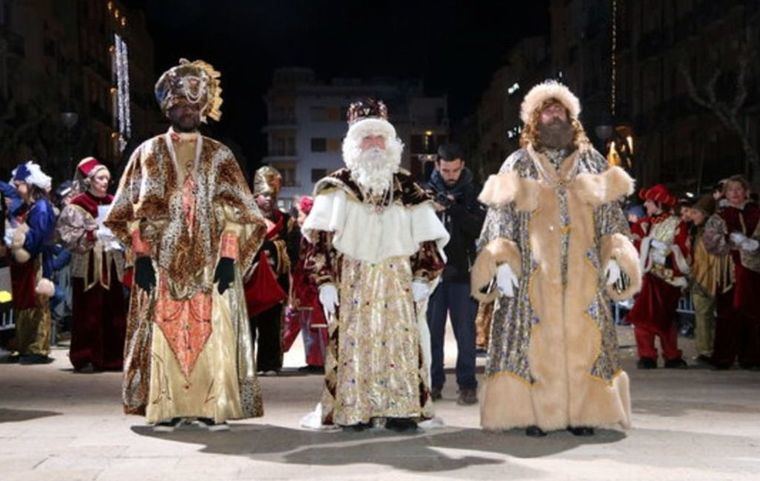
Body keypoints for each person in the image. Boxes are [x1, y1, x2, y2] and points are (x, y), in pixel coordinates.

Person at [104, 59, 267, 431]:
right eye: (180, 106)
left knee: (212, 331)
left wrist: (228, 257)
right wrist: (140, 256)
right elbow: (126, 211)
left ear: (203, 109)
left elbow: (238, 213)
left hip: (211, 264)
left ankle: (212, 407)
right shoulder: (145, 154)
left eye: (194, 106)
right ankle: (167, 407)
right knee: (165, 333)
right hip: (160, 264)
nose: (187, 112)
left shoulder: (220, 155)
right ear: (168, 108)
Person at [471, 81, 641, 437]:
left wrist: (615, 253)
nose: (554, 116)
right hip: (534, 274)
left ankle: (584, 413)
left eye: (560, 111)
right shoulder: (517, 162)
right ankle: (535, 414)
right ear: (535, 118)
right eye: (547, 111)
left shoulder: (592, 161)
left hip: (584, 272)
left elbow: (610, 214)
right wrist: (501, 259)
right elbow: (499, 217)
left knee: (587, 340)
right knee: (531, 342)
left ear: (570, 117)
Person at [301, 98, 449, 432]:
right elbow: (317, 241)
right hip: (353, 280)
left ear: (391, 144)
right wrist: (324, 282)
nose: (373, 146)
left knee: (399, 342)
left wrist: (424, 276)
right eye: (365, 139)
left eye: (379, 138)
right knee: (355, 343)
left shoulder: (407, 187)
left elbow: (427, 240)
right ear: (353, 145)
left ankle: (400, 409)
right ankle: (355, 410)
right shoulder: (336, 187)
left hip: (397, 279)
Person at [424, 143, 486, 405]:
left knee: (466, 334)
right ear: (438, 165)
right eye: (446, 169)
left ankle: (467, 384)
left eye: (456, 170)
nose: (451, 175)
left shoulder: (474, 192)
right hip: (432, 276)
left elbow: (479, 229)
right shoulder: (424, 193)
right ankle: (433, 383)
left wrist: (453, 208)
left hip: (463, 273)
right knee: (431, 333)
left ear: (463, 166)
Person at [56, 158, 127, 372]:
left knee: (114, 309)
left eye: (107, 178)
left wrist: (119, 235)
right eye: (100, 178)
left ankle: (113, 356)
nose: (105, 182)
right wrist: (92, 233)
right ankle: (86, 355)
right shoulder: (77, 204)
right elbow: (66, 235)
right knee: (89, 309)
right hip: (87, 264)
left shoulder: (113, 201)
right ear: (89, 181)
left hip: (112, 262)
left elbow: (125, 228)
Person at [244, 166, 300, 376]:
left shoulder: (286, 221)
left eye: (273, 195)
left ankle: (269, 364)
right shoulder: (244, 220)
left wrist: (280, 255)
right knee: (247, 325)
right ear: (255, 195)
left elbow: (294, 251)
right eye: (265, 195)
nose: (269, 199)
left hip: (276, 281)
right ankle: (246, 365)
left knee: (272, 324)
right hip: (248, 280)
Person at [627, 184, 690, 369]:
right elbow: (632, 248)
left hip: (668, 278)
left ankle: (671, 355)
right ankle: (646, 355)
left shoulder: (677, 223)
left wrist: (669, 251)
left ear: (659, 203)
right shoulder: (642, 224)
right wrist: (645, 244)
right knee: (642, 317)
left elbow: (684, 249)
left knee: (667, 317)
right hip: (646, 277)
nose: (645, 204)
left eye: (649, 201)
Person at [703, 175, 760, 369]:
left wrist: (755, 244)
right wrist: (729, 240)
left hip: (755, 269)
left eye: (738, 189)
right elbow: (709, 241)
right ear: (726, 193)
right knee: (728, 312)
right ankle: (723, 357)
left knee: (753, 313)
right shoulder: (720, 215)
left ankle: (752, 357)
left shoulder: (756, 212)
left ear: (746, 192)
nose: (735, 193)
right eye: (731, 190)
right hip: (729, 270)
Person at [6, 161, 56, 364]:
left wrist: (20, 239)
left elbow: (40, 236)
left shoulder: (41, 208)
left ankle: (39, 348)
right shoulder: (30, 206)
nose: (16, 188)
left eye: (19, 184)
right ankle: (25, 345)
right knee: (24, 302)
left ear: (29, 184)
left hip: (38, 261)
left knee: (38, 302)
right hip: (26, 261)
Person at [283, 195, 329, 373]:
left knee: (318, 327)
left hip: (313, 289)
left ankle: (323, 361)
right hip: (304, 289)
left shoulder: (317, 236)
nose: (298, 218)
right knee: (308, 327)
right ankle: (313, 360)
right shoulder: (304, 236)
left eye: (301, 214)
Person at [686, 194, 720, 364]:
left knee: (705, 315)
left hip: (708, 277)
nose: (692, 216)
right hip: (700, 276)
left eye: (696, 213)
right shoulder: (696, 231)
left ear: (705, 214)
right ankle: (706, 349)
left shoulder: (709, 232)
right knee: (703, 316)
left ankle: (707, 350)